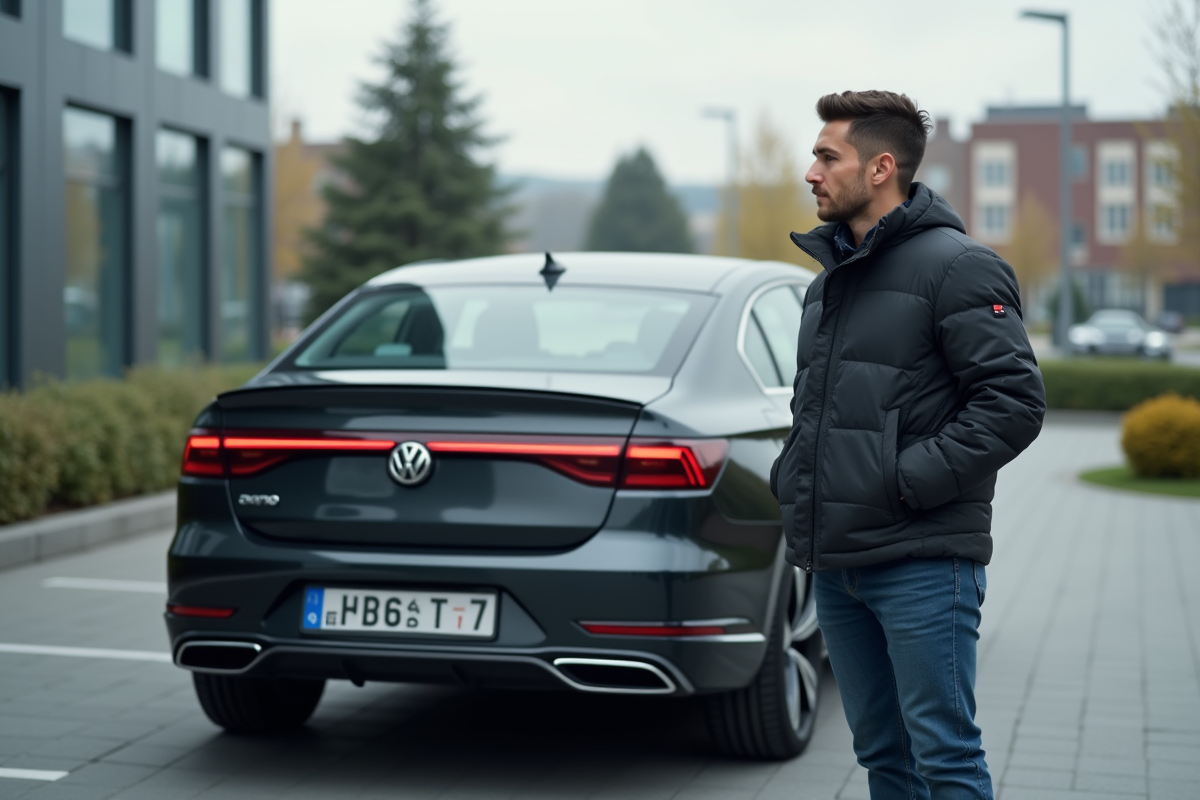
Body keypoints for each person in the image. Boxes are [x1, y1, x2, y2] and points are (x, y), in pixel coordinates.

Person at [770, 90, 1046, 798]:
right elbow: (817, 409)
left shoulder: (958, 267)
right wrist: (793, 479)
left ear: (880, 167)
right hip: (838, 565)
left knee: (944, 757)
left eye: (827, 156)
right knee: (882, 758)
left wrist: (906, 480)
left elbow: (1014, 402)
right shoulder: (830, 283)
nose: (812, 172)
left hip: (922, 563)